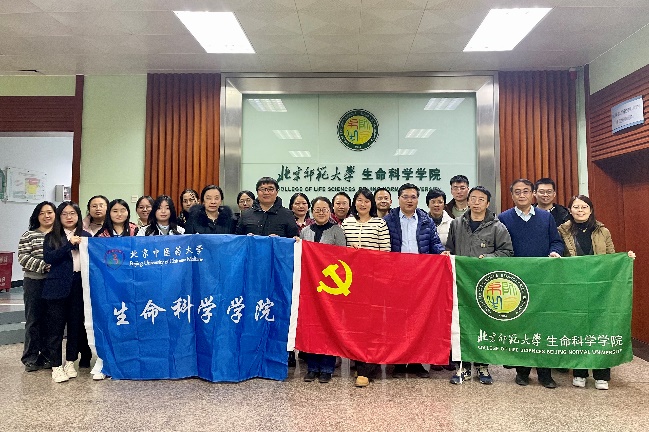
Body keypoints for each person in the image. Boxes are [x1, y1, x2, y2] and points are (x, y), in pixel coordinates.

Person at [558, 195, 636, 391]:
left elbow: (611, 257)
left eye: (584, 207)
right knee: (578, 328)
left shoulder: (602, 230)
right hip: (574, 286)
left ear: (591, 210)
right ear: (570, 210)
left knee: (601, 327)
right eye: (576, 207)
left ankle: (602, 374)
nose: (580, 210)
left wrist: (625, 259)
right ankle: (580, 372)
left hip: (600, 287)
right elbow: (559, 254)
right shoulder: (562, 231)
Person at [499, 178, 564, 389]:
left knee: (543, 325)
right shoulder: (503, 218)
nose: (522, 195)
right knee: (520, 326)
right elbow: (499, 246)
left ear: (532, 194)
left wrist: (554, 252)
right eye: (517, 192)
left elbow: (556, 241)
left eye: (526, 191)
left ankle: (545, 373)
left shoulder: (545, 217)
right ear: (512, 195)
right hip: (516, 281)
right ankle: (522, 371)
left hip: (543, 280)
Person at [446, 186, 514, 385]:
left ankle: (483, 365)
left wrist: (490, 257)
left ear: (487, 203)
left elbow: (507, 252)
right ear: (468, 201)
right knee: (461, 324)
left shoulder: (497, 227)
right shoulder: (457, 224)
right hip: (461, 283)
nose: (476, 202)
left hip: (486, 283)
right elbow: (449, 248)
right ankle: (463, 367)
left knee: (484, 323)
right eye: (473, 198)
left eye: (481, 199)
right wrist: (446, 254)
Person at [383, 183, 448, 379]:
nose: (409, 200)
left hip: (421, 277)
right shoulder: (388, 220)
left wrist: (441, 253)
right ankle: (398, 362)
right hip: (396, 277)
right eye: (405, 197)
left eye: (413, 197)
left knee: (419, 319)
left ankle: (416, 362)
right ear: (398, 199)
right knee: (398, 320)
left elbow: (434, 242)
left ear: (418, 199)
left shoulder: (426, 219)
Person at [235, 177, 299, 366]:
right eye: (262, 189)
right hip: (252, 273)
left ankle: (284, 352)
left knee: (278, 309)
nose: (266, 192)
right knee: (253, 309)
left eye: (270, 189)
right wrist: (246, 239)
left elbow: (294, 240)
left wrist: (280, 240)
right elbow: (237, 241)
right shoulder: (246, 214)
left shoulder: (287, 214)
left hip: (277, 272)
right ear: (257, 192)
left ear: (277, 192)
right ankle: (252, 350)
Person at [341, 187, 390, 387]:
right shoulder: (347, 223)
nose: (363, 204)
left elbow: (385, 252)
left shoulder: (380, 223)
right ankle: (359, 362)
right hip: (351, 282)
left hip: (373, 281)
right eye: (359, 200)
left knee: (373, 324)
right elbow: (339, 251)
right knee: (354, 324)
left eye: (367, 201)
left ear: (372, 204)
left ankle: (367, 368)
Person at [42, 202, 92, 383]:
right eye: (64, 214)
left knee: (75, 326)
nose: (69, 217)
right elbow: (49, 258)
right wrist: (68, 245)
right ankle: (56, 366)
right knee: (55, 328)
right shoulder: (51, 236)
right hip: (57, 287)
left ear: (78, 216)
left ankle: (70, 362)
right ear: (59, 216)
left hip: (79, 285)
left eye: (73, 213)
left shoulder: (86, 236)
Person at [299, 196, 347, 384]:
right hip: (310, 286)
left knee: (328, 326)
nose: (321, 212)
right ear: (312, 211)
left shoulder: (337, 231)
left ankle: (327, 368)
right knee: (311, 326)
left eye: (324, 209)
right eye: (317, 209)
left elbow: (343, 259)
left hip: (331, 287)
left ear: (330, 211)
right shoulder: (305, 231)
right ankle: (312, 367)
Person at [18, 201, 56, 372]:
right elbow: (23, 257)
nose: (46, 216)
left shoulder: (60, 235)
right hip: (34, 281)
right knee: (33, 320)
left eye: (50, 212)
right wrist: (44, 266)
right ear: (36, 216)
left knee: (51, 320)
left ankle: (47, 356)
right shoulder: (29, 235)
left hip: (54, 283)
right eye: (42, 213)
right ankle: (30, 358)